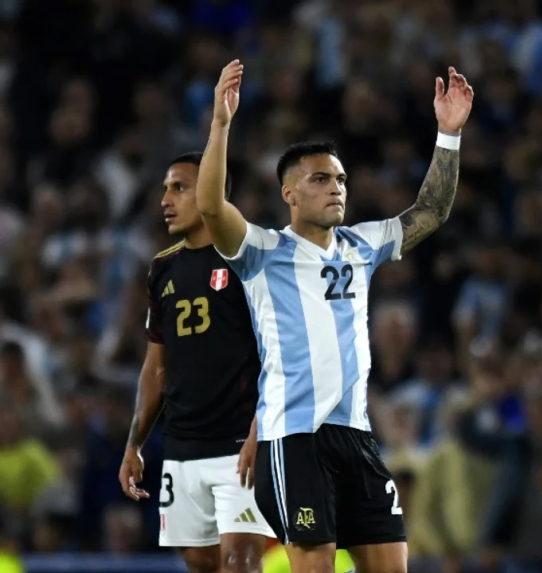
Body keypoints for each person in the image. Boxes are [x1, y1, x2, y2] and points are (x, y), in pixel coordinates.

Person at [195, 60, 473, 573]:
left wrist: (448, 136)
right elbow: (211, 208)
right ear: (289, 194)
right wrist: (220, 124)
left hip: (357, 435)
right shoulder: (263, 251)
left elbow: (430, 212)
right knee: (317, 566)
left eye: (341, 179)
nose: (337, 188)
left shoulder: (361, 244)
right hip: (296, 438)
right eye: (321, 179)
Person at [118, 153, 274, 573]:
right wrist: (135, 443)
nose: (166, 199)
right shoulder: (162, 269)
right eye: (166, 188)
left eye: (179, 188)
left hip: (240, 442)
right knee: (200, 562)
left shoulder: (250, 260)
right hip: (182, 446)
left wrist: (261, 432)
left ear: (210, 193)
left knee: (240, 561)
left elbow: (279, 354)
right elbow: (155, 367)